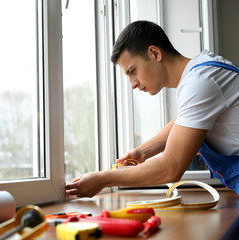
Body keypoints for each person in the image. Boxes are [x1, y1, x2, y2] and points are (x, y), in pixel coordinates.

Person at [65, 20, 239, 198]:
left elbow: (170, 168)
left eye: (133, 71)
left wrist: (103, 179)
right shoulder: (200, 71)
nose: (132, 84)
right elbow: (185, 122)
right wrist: (142, 152)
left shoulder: (201, 81)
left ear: (155, 53)